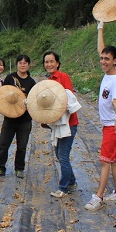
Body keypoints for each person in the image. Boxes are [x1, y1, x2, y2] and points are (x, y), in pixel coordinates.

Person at [85, 21, 116, 211]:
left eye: (107, 59)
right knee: (114, 160)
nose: (103, 61)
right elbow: (102, 49)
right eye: (102, 59)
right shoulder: (108, 73)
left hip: (112, 126)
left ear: (115, 61)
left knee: (104, 162)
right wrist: (100, 28)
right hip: (107, 125)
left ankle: (99, 196)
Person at [0, 54, 36, 179]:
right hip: (9, 118)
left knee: (22, 146)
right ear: (17, 64)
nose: (22, 64)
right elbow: (2, 94)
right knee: (4, 144)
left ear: (28, 65)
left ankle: (19, 168)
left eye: (25, 63)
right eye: (20, 62)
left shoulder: (31, 82)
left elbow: (34, 101)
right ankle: (0, 167)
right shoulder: (10, 78)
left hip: (25, 120)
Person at [42, 51, 79, 196]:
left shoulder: (63, 77)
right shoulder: (49, 81)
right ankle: (71, 182)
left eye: (52, 61)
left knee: (63, 155)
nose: (49, 64)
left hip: (69, 123)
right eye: (46, 62)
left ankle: (63, 188)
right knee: (58, 153)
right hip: (58, 123)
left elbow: (69, 99)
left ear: (57, 63)